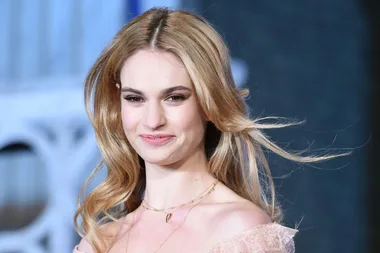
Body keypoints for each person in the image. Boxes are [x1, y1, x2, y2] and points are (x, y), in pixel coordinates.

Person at [73, 7, 346, 253]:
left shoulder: (241, 231)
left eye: (175, 97)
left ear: (208, 102)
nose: (152, 120)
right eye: (135, 99)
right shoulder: (100, 241)